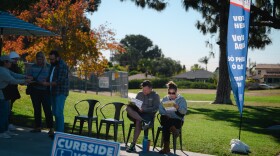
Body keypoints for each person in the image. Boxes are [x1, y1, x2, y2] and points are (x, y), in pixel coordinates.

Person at [0, 55, 31, 139]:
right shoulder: (2, 71)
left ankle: (5, 130)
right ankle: (2, 132)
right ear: (5, 62)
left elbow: (15, 75)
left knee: (6, 113)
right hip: (1, 96)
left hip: (5, 95)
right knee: (3, 114)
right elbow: (12, 80)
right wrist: (25, 81)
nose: (11, 63)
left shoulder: (5, 70)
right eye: (9, 61)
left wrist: (25, 76)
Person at [126, 80, 160, 153]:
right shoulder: (139, 94)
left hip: (148, 115)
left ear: (150, 88)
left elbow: (156, 108)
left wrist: (144, 110)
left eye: (145, 90)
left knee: (138, 122)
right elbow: (135, 103)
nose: (143, 91)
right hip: (137, 113)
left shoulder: (155, 95)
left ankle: (133, 144)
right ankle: (143, 121)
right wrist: (133, 105)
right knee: (127, 107)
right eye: (143, 89)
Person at [27, 52, 54, 136]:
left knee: (47, 110)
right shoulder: (32, 67)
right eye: (38, 59)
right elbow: (28, 77)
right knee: (37, 109)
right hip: (35, 90)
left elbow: (52, 77)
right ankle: (37, 127)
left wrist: (47, 81)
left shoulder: (49, 67)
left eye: (41, 59)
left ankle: (51, 128)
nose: (39, 61)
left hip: (45, 91)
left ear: (44, 59)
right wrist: (31, 79)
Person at [42, 50, 69, 133]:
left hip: (60, 92)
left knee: (58, 113)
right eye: (50, 59)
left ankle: (60, 133)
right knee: (55, 112)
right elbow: (51, 76)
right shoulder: (53, 65)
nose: (51, 61)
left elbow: (60, 81)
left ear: (58, 58)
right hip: (53, 91)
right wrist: (47, 79)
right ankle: (57, 131)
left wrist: (47, 84)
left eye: (53, 59)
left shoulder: (62, 66)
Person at [158, 81, 187, 154]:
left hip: (178, 121)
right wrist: (165, 113)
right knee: (165, 121)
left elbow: (184, 112)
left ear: (176, 92)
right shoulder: (165, 98)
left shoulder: (181, 99)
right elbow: (160, 109)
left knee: (165, 125)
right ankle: (175, 131)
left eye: (173, 93)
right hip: (167, 118)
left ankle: (166, 148)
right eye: (169, 93)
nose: (171, 95)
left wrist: (178, 107)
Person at [7, 51, 22, 131]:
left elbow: (17, 76)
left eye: (17, 59)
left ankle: (8, 123)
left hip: (12, 90)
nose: (16, 60)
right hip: (8, 90)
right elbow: (13, 78)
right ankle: (8, 123)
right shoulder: (8, 68)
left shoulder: (16, 67)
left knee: (9, 107)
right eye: (15, 59)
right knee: (7, 108)